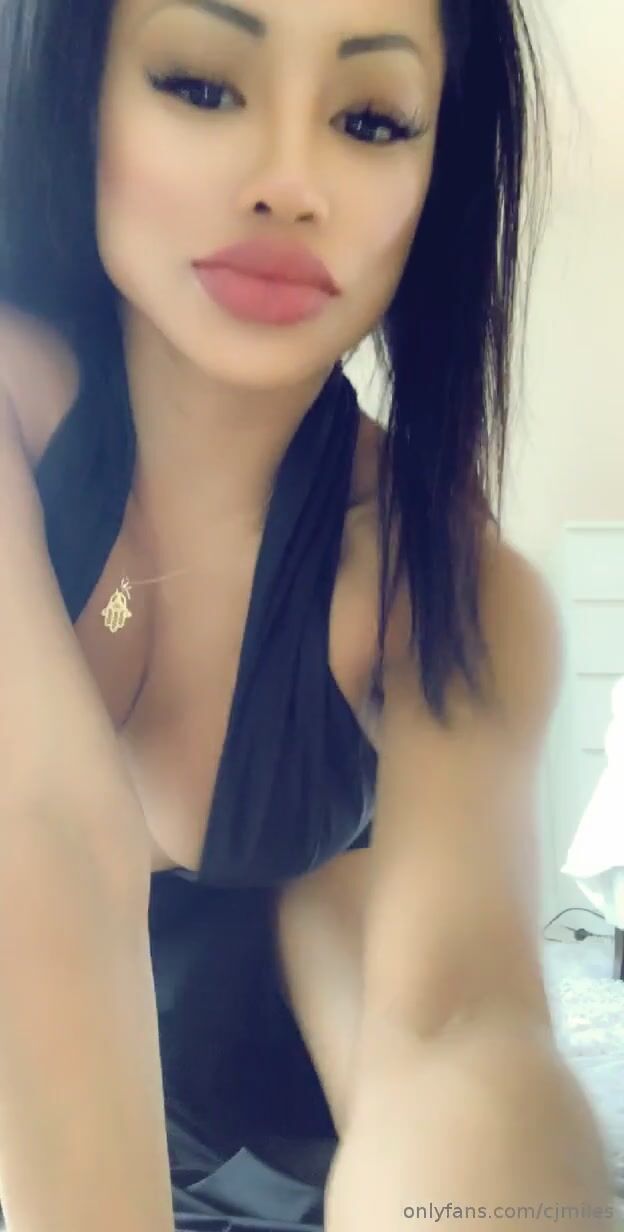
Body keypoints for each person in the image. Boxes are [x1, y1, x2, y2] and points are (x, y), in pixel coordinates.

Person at [0, 1, 615, 1229]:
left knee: (335, 914)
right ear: (80, 97)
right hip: (61, 1103)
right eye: (200, 84)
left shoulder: (448, 581)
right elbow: (43, 845)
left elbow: (463, 1020)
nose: (289, 181)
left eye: (371, 120)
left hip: (298, 1094)